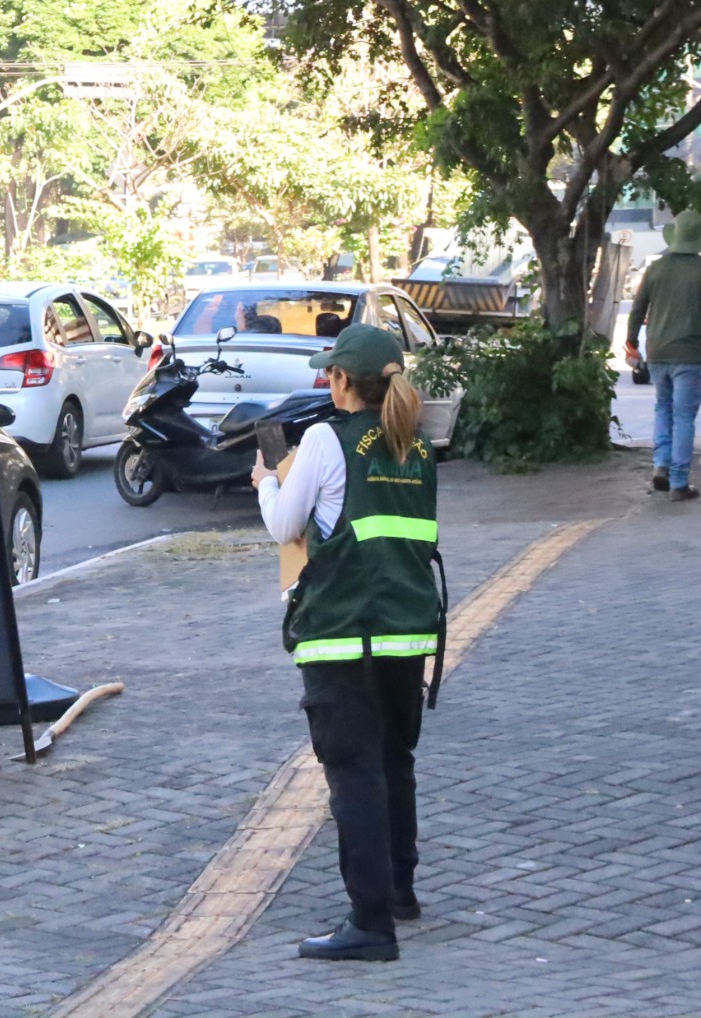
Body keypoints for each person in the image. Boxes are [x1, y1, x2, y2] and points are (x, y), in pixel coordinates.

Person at [250, 323, 446, 962]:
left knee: (354, 773)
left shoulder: (324, 440)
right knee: (394, 761)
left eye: (329, 372)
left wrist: (265, 484)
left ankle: (370, 923)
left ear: (340, 382)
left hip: (342, 635)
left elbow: (286, 526)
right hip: (409, 628)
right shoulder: (415, 448)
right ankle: (400, 892)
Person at [625, 210, 701, 500]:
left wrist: (632, 342)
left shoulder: (655, 268)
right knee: (683, 416)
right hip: (688, 353)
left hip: (656, 351)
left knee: (663, 407)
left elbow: (637, 308)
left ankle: (661, 466)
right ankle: (679, 482)